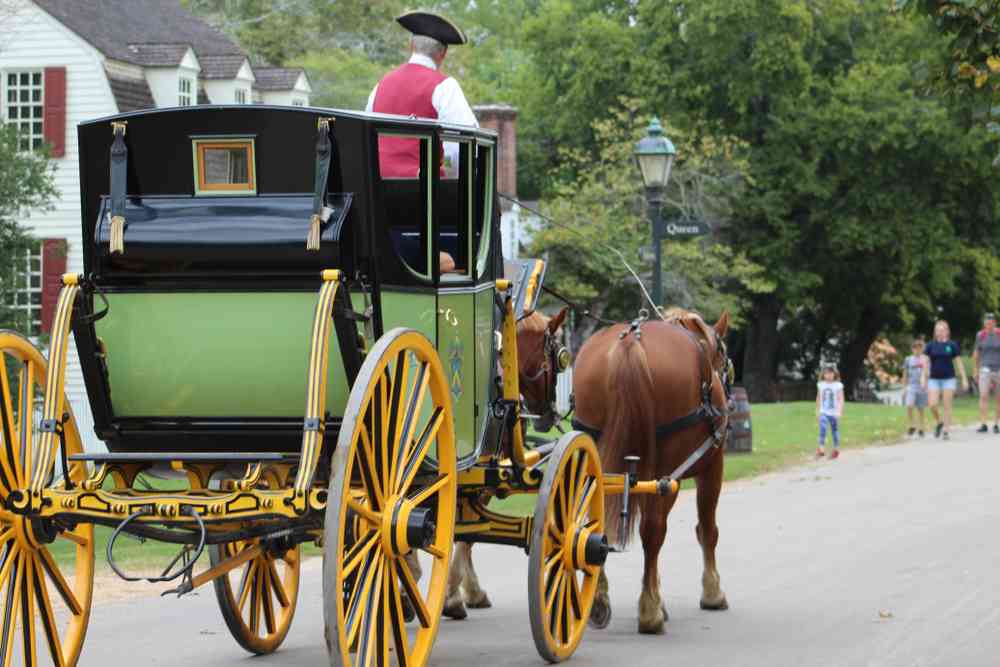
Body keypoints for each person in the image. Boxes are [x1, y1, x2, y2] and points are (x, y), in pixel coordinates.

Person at [365, 10, 478, 178]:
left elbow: (366, 138)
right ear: (443, 53)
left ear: (411, 46)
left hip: (375, 188)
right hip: (423, 194)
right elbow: (462, 148)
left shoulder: (380, 85)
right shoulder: (445, 86)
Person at [925, 319, 969, 440]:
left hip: (949, 379)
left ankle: (946, 430)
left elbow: (959, 363)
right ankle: (939, 422)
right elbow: (925, 362)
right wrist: (923, 377)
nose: (939, 332)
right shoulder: (930, 345)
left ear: (947, 331)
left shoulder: (952, 345)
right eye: (937, 330)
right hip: (934, 379)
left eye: (942, 330)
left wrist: (964, 378)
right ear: (935, 332)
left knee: (947, 405)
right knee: (932, 404)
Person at [972, 312, 1000, 433]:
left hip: (998, 368)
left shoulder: (999, 334)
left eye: (991, 321)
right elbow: (976, 353)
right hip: (985, 368)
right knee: (983, 396)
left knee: (998, 398)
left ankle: (996, 424)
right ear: (984, 323)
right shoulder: (980, 335)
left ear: (995, 322)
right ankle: (983, 424)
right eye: (987, 322)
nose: (989, 324)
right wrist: (975, 370)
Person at [901, 338, 929, 437]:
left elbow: (928, 373)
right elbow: (904, 375)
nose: (917, 350)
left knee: (921, 408)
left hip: (922, 387)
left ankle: (921, 428)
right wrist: (904, 388)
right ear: (912, 349)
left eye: (919, 348)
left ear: (922, 349)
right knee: (909, 405)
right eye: (915, 348)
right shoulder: (908, 359)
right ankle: (911, 425)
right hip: (911, 386)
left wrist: (925, 382)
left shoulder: (926, 359)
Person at [816, 365, 845, 459]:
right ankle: (821, 448)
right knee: (822, 428)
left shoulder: (838, 385)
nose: (828, 375)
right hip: (823, 411)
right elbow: (818, 398)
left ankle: (836, 448)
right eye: (826, 373)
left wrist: (839, 411)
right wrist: (817, 410)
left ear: (834, 374)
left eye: (830, 373)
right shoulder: (821, 385)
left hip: (834, 413)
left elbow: (841, 399)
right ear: (823, 374)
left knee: (835, 430)